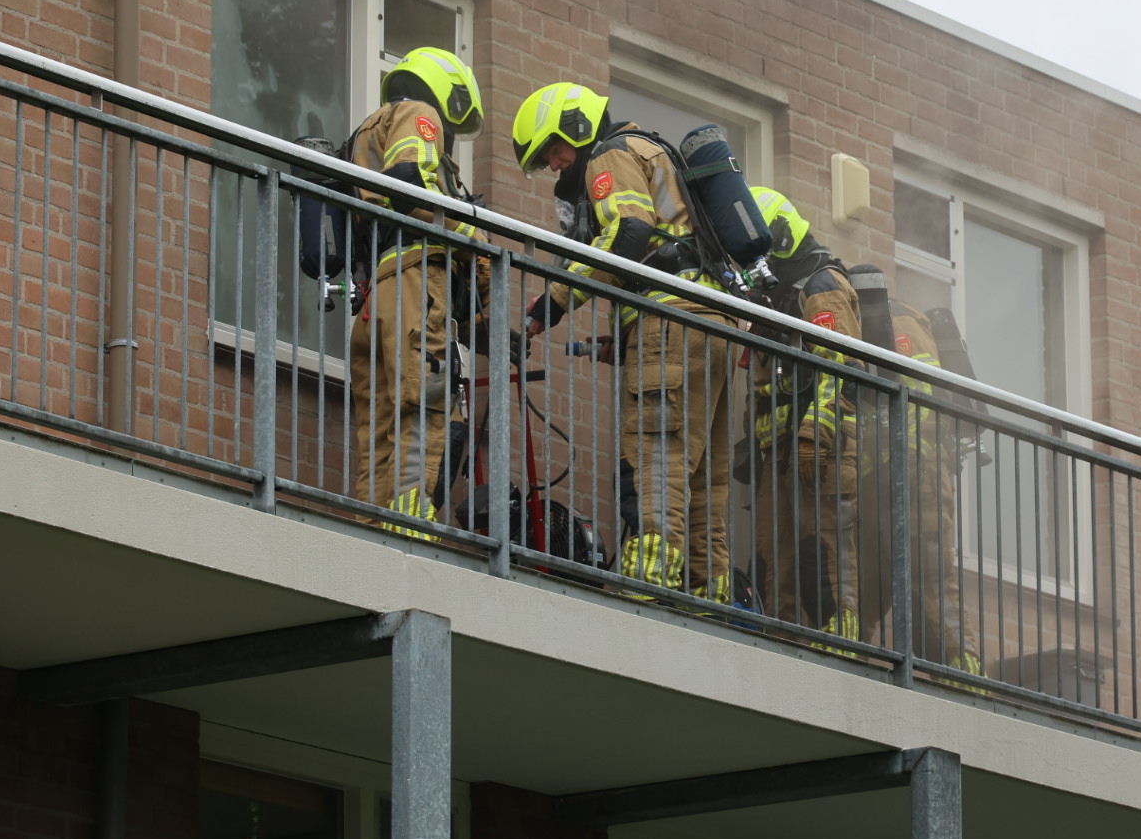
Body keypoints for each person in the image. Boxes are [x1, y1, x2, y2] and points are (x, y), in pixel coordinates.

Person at [511, 83, 736, 603]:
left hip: (671, 322)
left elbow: (629, 233)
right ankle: (708, 595)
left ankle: (649, 581)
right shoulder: (651, 150)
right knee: (705, 477)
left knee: (657, 453)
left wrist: (554, 302)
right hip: (712, 323)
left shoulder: (610, 154)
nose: (553, 165)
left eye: (553, 149)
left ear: (575, 125)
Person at [346, 47, 489, 532]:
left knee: (379, 429)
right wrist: (474, 236)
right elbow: (410, 180)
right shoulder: (417, 112)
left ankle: (374, 529)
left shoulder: (367, 132)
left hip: (377, 298)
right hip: (414, 279)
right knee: (424, 409)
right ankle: (409, 528)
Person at [743, 186, 865, 648]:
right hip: (779, 456)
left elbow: (842, 365)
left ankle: (844, 640)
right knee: (779, 557)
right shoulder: (774, 297)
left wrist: (818, 434)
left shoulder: (820, 284)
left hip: (823, 451)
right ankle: (783, 639)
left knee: (831, 551)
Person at [862, 296, 984, 681]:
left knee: (931, 578)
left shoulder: (898, 331)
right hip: (891, 478)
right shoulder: (907, 326)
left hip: (917, 475)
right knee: (875, 580)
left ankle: (962, 672)